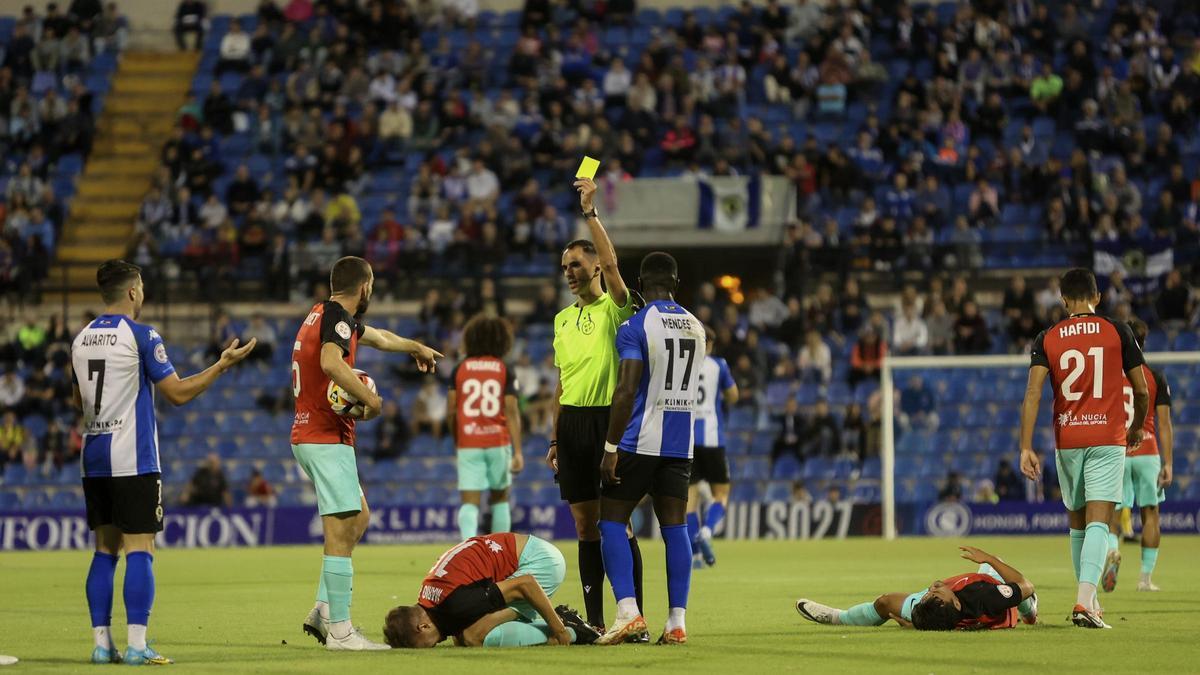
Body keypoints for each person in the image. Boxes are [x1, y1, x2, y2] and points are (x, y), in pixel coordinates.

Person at [72, 259, 256, 665]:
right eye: (141, 288)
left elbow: (77, 401)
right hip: (132, 457)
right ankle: (137, 646)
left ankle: (102, 645)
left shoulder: (80, 339)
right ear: (132, 291)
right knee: (141, 547)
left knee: (104, 550)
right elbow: (177, 393)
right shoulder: (142, 335)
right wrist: (221, 366)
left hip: (94, 457)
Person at [291, 256, 442, 651]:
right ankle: (340, 632)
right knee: (341, 530)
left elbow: (380, 338)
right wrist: (370, 400)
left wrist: (415, 346)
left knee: (358, 517)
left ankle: (324, 609)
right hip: (324, 436)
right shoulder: (337, 317)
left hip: (314, 435)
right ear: (365, 286)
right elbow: (330, 363)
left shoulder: (323, 314)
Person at [1018, 268, 1147, 629]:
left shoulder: (1047, 337)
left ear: (1064, 301)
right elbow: (1141, 391)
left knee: (1077, 524)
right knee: (1099, 522)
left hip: (1068, 439)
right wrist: (1137, 426)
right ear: (1098, 297)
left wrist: (1025, 447)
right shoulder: (1118, 330)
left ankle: (1089, 601)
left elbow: (1033, 394)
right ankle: (1084, 603)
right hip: (1107, 436)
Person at [545, 177, 642, 632]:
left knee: (617, 524)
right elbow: (561, 383)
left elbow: (614, 264)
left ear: (596, 268)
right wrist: (553, 439)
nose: (569, 272)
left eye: (577, 264)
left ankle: (634, 617)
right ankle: (598, 623)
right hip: (572, 427)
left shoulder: (615, 309)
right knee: (585, 528)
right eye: (564, 266)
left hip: (609, 422)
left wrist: (590, 213)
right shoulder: (561, 320)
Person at [596, 252, 705, 646]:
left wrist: (610, 447)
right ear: (676, 284)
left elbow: (626, 389)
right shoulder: (697, 326)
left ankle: (628, 612)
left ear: (639, 285)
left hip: (640, 440)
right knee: (675, 528)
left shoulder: (635, 325)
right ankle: (677, 622)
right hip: (681, 444)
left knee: (611, 521)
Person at [382, 533, 598, 648]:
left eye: (424, 645)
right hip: (528, 552)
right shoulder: (429, 597)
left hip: (543, 563)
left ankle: (572, 629)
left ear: (423, 626)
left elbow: (526, 584)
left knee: (473, 636)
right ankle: (562, 624)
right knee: (462, 636)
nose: (431, 647)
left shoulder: (457, 603)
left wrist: (560, 633)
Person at [796, 546, 1038, 631]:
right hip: (994, 598)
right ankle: (1030, 612)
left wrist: (916, 624)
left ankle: (838, 618)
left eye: (932, 593)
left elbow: (936, 617)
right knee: (1012, 587)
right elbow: (1026, 585)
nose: (934, 587)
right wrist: (988, 559)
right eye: (935, 592)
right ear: (955, 602)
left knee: (885, 603)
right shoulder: (986, 597)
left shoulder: (933, 610)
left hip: (962, 607)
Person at [1104, 318, 1173, 593]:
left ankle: (1112, 552)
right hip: (1147, 449)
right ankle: (1145, 579)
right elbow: (1164, 424)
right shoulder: (1155, 377)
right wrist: (1168, 463)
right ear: (1143, 343)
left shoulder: (1109, 376)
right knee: (1150, 515)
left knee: (1112, 512)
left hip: (1118, 450)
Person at [447, 315, 524, 540]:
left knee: (469, 503)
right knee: (500, 499)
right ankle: (499, 553)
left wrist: (458, 440)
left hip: (468, 442)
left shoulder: (460, 368)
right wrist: (518, 451)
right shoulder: (504, 368)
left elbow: (451, 411)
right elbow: (512, 411)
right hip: (498, 442)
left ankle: (467, 550)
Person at [687, 325, 739, 567]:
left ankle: (695, 556)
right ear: (709, 344)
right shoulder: (718, 365)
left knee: (690, 501)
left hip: (687, 440)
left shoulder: (683, 363)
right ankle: (707, 531)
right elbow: (733, 395)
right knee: (721, 494)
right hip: (712, 438)